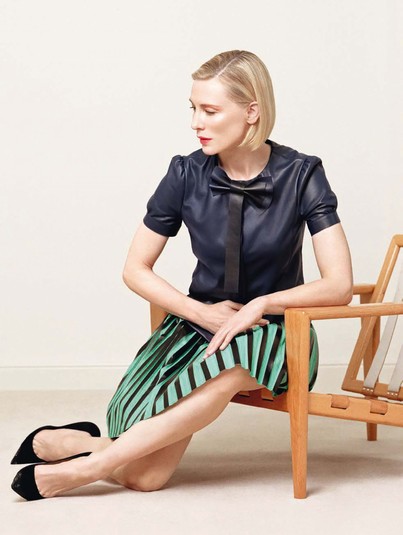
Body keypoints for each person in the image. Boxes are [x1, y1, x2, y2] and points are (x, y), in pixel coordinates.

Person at [11, 50, 353, 500]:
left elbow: (339, 285)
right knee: (144, 478)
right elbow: (135, 269)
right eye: (193, 109)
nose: (196, 122)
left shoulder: (302, 174)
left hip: (277, 333)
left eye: (210, 111)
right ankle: (80, 443)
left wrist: (262, 304)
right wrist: (201, 313)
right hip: (198, 326)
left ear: (252, 112)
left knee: (237, 361)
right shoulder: (185, 173)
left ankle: (86, 468)